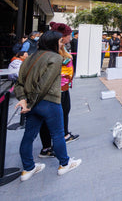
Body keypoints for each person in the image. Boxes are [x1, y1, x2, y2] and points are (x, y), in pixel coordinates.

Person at [14, 31, 81, 181]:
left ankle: (28, 168)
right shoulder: (55, 58)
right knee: (58, 134)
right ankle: (64, 164)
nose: (62, 44)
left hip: (31, 104)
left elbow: (19, 83)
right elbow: (44, 85)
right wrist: (32, 101)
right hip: (48, 102)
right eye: (60, 42)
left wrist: (24, 100)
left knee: (28, 136)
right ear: (52, 43)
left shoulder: (29, 57)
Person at [39, 23, 79, 159]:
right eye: (69, 35)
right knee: (51, 118)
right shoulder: (49, 52)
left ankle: (63, 136)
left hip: (63, 88)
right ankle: (49, 149)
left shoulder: (61, 49)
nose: (71, 38)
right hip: (53, 90)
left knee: (64, 110)